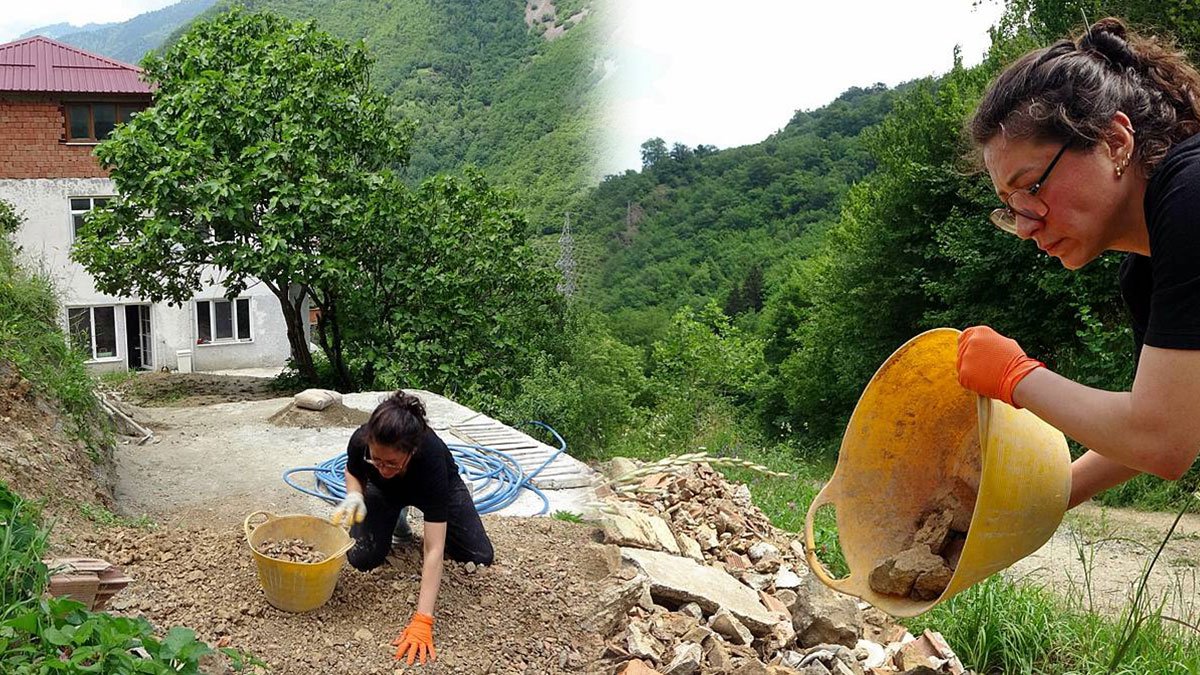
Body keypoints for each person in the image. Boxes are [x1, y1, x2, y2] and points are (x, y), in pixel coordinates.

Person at [958, 17, 1200, 509]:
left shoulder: (1192, 195)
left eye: (1031, 187)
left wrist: (1014, 375)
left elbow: (1162, 440)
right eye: (1010, 205)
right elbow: (1157, 425)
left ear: (1115, 140)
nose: (1024, 225)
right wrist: (1032, 505)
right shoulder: (1146, 268)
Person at [330, 391, 494, 664]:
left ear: (411, 452)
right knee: (361, 558)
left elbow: (433, 549)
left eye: (391, 462)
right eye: (377, 460)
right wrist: (354, 495)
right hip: (385, 492)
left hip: (434, 488)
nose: (382, 467)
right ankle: (396, 516)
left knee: (478, 555)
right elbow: (354, 471)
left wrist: (423, 620)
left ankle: (437, 512)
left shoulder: (429, 459)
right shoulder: (362, 441)